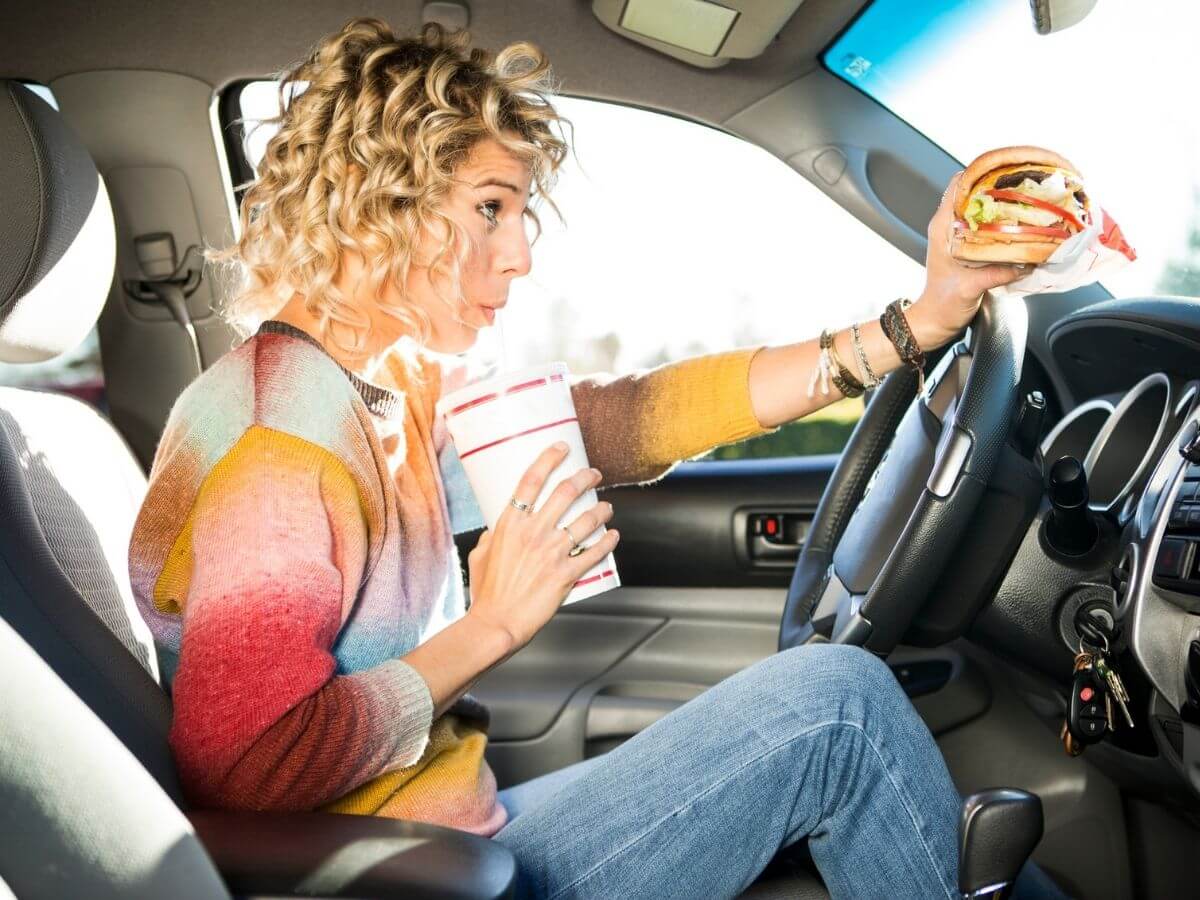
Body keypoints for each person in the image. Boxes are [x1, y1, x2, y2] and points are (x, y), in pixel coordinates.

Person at [128, 17, 1060, 900]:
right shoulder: (277, 446)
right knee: (840, 708)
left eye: (521, 212)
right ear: (379, 204)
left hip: (447, 834)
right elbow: (248, 767)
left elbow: (631, 420)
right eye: (491, 208)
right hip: (414, 878)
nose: (522, 253)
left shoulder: (382, 385)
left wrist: (916, 325)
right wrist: (490, 627)